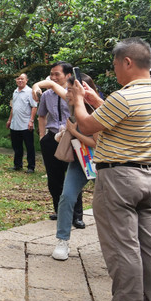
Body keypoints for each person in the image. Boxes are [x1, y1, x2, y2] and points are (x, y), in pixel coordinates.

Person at [69, 38, 151, 301]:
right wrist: (95, 100)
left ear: (127, 62)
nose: (114, 72)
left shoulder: (124, 97)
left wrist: (78, 101)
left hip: (119, 179)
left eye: (115, 65)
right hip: (148, 177)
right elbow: (122, 117)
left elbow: (87, 124)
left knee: (123, 249)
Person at [41, 73, 100, 261]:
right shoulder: (72, 109)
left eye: (70, 90)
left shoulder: (96, 110)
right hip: (80, 162)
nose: (66, 93)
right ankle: (62, 241)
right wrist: (65, 133)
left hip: (103, 162)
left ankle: (116, 245)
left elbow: (95, 143)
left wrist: (74, 131)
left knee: (106, 205)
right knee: (66, 197)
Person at [34, 62, 84, 225]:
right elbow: (41, 115)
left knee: (73, 176)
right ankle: (60, 211)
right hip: (52, 138)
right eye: (51, 74)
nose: (53, 77)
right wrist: (42, 136)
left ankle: (77, 216)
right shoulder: (47, 95)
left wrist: (42, 84)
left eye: (57, 74)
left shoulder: (74, 93)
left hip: (71, 138)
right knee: (54, 179)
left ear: (68, 75)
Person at [6, 73, 38, 172]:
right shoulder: (15, 92)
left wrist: (31, 121)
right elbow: (13, 107)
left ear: (26, 80)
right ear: (16, 80)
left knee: (29, 146)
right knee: (16, 146)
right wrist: (9, 120)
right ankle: (17, 165)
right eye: (18, 79)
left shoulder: (30, 92)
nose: (20, 81)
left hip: (26, 124)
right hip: (15, 124)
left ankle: (31, 167)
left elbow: (34, 107)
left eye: (22, 79)